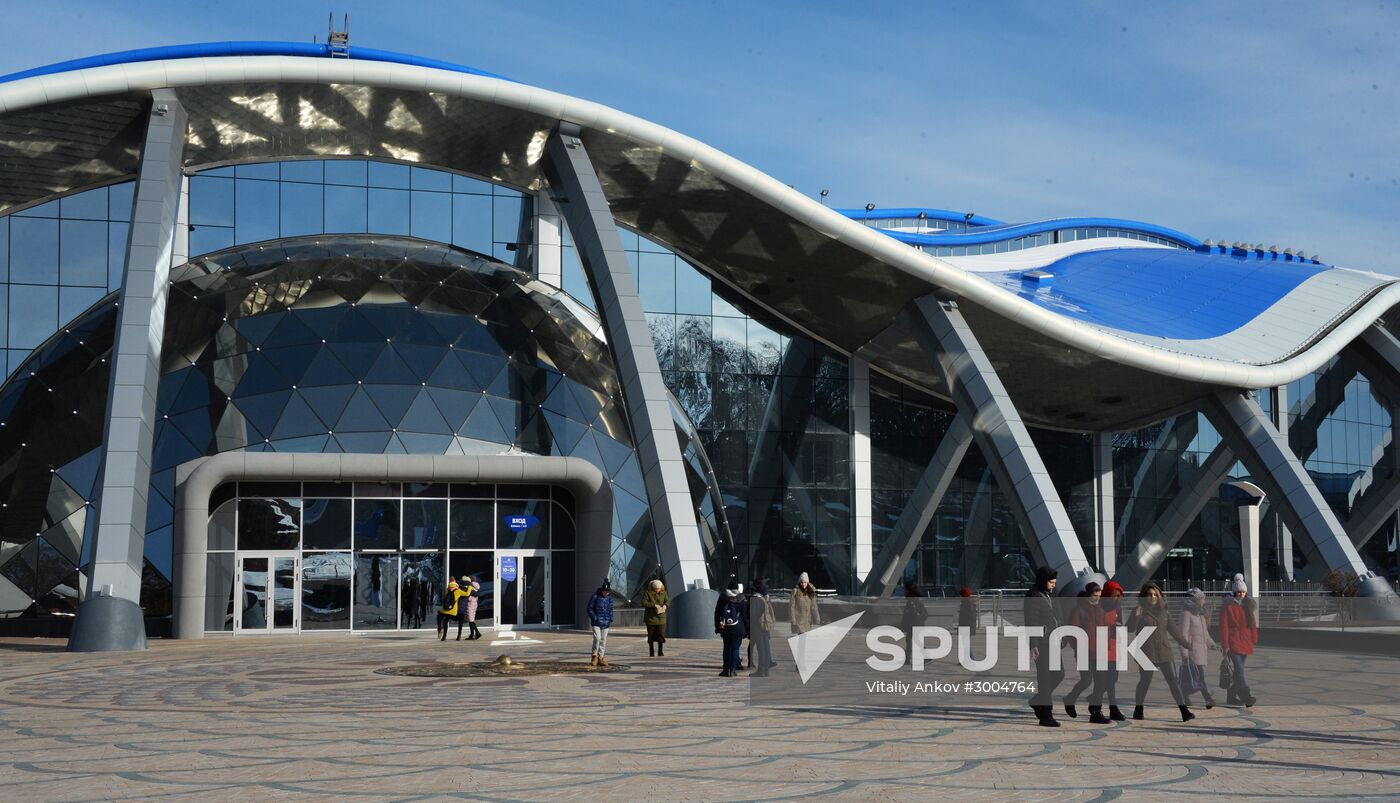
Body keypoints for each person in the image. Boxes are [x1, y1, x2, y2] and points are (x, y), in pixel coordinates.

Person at [1127, 582, 1195, 721]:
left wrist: (1186, 644)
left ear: (1159, 597)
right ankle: (1138, 710)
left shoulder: (1164, 612)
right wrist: (1135, 616)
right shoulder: (1139, 610)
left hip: (1164, 651)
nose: (1152, 597)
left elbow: (1174, 630)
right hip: (1146, 652)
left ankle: (1184, 711)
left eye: (1155, 595)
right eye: (1149, 594)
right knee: (1145, 681)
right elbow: (1129, 629)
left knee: (1173, 682)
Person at [1024, 566, 1064, 727]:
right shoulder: (1033, 595)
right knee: (1045, 678)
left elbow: (1056, 618)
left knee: (1059, 674)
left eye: (1055, 582)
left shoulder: (1050, 595)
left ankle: (1037, 700)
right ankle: (1046, 715)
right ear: (1043, 581)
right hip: (1041, 643)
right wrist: (1033, 645)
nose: (1054, 585)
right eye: (1051, 582)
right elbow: (1031, 622)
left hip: (1053, 641)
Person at [1061, 583, 1101, 721]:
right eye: (1095, 596)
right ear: (1088, 595)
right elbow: (1073, 630)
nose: (1097, 599)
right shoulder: (1079, 610)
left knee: (1101, 680)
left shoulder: (1099, 609)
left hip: (1099, 651)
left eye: (1099, 596)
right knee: (1087, 679)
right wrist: (1077, 647)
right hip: (1083, 652)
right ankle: (1070, 699)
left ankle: (1095, 709)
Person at [1219, 574, 1258, 706]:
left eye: (1243, 592)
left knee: (1237, 672)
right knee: (1240, 670)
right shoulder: (1228, 607)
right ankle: (1246, 696)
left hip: (1246, 642)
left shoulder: (1248, 605)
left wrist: (1254, 637)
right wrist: (1225, 645)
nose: (1241, 594)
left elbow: (1252, 623)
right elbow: (1224, 626)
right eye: (1238, 592)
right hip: (1233, 642)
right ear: (1234, 592)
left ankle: (1230, 697)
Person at [1094, 580, 1127, 721]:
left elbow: (1122, 627)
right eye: (1115, 595)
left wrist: (1119, 628)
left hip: (1113, 648)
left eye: (1119, 596)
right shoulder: (1098, 607)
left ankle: (1105, 707)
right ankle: (1098, 709)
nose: (1117, 598)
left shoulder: (1118, 608)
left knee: (1112, 680)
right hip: (1099, 649)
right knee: (1102, 680)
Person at [1178, 587, 1217, 709]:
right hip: (1192, 652)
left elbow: (1205, 634)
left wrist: (1211, 644)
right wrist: (1184, 653)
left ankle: (1184, 695)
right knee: (1200, 677)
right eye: (1201, 598)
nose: (1203, 601)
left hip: (1201, 651)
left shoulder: (1200, 615)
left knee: (1192, 679)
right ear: (1194, 600)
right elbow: (1182, 635)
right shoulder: (1186, 614)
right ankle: (1208, 699)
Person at [714, 581, 749, 677]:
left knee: (726, 648)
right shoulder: (741, 598)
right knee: (735, 648)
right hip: (738, 627)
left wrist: (718, 627)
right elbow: (744, 615)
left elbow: (717, 614)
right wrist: (746, 628)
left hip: (725, 626)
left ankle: (725, 670)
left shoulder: (723, 597)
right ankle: (733, 670)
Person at [749, 579, 776, 676]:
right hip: (765, 626)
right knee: (765, 648)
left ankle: (761, 671)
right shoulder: (764, 600)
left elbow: (752, 616)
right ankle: (766, 670)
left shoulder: (754, 599)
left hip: (757, 627)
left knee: (761, 649)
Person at [586, 579, 615, 667]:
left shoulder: (610, 599)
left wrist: (610, 618)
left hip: (606, 622)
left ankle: (601, 657)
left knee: (603, 640)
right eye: (605, 591)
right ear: (602, 590)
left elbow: (611, 609)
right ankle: (594, 656)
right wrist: (595, 618)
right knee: (597, 638)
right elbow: (589, 608)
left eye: (607, 591)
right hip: (596, 622)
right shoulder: (595, 596)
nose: (606, 593)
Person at [900, 581, 927, 667]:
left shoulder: (913, 602)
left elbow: (915, 615)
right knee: (911, 642)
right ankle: (907, 660)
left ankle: (925, 656)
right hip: (913, 626)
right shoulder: (913, 601)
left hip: (914, 626)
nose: (904, 592)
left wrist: (914, 624)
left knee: (914, 642)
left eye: (905, 590)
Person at [642, 579, 670, 657]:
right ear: (652, 587)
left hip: (661, 618)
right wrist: (653, 605)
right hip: (650, 618)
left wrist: (665, 605)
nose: (657, 590)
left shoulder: (664, 593)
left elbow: (668, 601)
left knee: (661, 634)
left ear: (661, 587)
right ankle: (651, 652)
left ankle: (660, 651)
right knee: (651, 635)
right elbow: (644, 603)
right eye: (655, 589)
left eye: (658, 589)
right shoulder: (647, 593)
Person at [957, 587, 979, 661]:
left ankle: (972, 660)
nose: (960, 597)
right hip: (968, 627)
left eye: (961, 595)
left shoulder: (967, 604)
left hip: (966, 627)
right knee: (965, 644)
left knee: (966, 644)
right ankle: (966, 660)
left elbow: (967, 617)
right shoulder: (969, 602)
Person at [462, 575, 482, 640]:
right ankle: (472, 634)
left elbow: (470, 594)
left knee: (471, 620)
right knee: (471, 619)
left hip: (470, 604)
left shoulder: (470, 586)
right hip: (474, 603)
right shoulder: (477, 586)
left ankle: (477, 633)